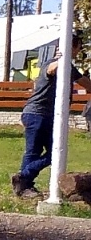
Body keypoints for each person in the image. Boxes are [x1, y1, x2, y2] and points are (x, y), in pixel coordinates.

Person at [14, 48, 86, 199]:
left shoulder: (69, 68)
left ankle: (23, 179)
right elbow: (51, 69)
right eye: (76, 47)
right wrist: (61, 59)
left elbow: (86, 84)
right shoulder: (52, 63)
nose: (77, 51)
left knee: (55, 151)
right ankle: (24, 183)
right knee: (34, 152)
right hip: (36, 114)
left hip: (50, 116)